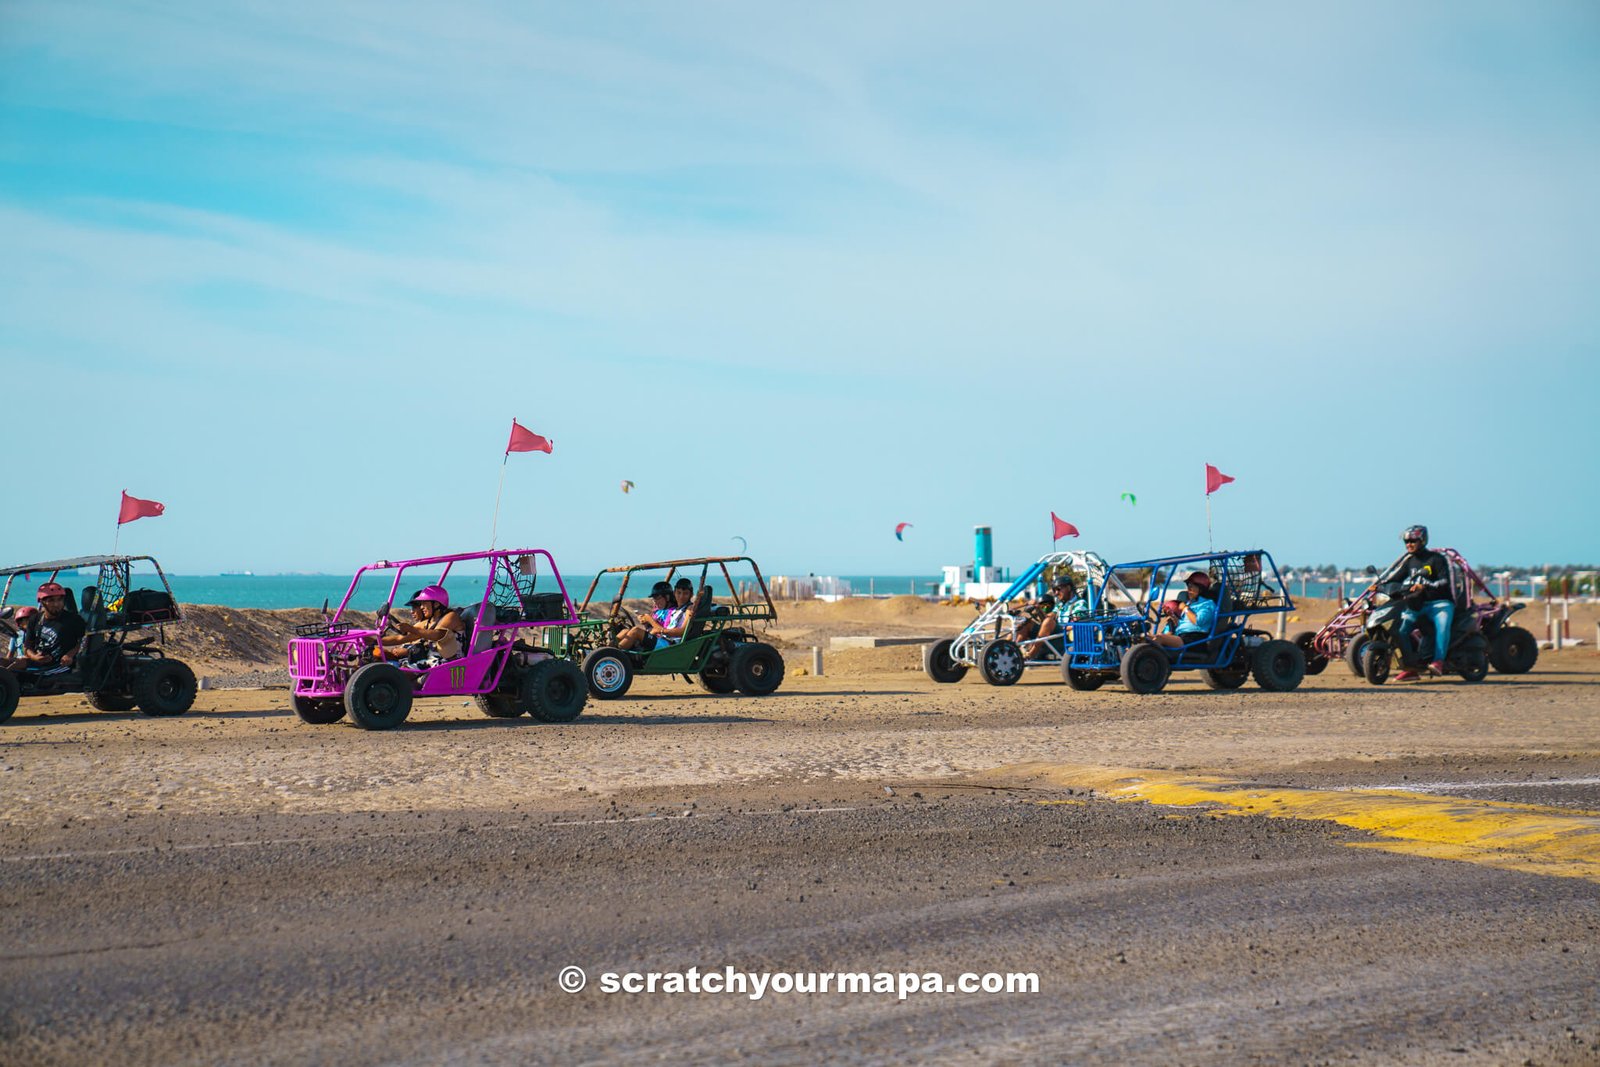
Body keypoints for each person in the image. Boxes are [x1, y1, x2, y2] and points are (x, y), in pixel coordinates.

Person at [1380, 525, 1455, 681]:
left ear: (1422, 540)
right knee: (1401, 630)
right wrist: (1380, 585)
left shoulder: (1437, 559)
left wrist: (1425, 585)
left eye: (1413, 540)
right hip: (1419, 603)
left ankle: (1439, 661)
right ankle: (1411, 667)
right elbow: (1395, 578)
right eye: (1407, 541)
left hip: (1440, 603)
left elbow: (1444, 581)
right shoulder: (1410, 561)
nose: (1409, 544)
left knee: (1442, 627)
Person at [1, 582, 85, 674]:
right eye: (51, 600)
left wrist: (69, 655)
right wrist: (35, 657)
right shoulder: (35, 619)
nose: (56, 604)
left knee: (14, 668)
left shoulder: (74, 620)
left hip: (59, 665)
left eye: (60, 600)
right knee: (4, 662)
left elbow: (83, 641)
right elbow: (27, 646)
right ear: (42, 602)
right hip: (38, 661)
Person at [374, 585, 464, 668]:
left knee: (400, 674)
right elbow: (400, 638)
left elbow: (438, 635)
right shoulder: (429, 622)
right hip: (430, 661)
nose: (421, 607)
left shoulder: (451, 616)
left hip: (449, 662)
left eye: (424, 603)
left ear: (436, 604)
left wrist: (412, 629)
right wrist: (374, 641)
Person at [1027, 575, 1091, 660]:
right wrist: (1038, 608)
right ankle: (1009, 650)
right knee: (1026, 622)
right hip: (1055, 635)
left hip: (1067, 638)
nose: (1056, 593)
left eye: (1058, 589)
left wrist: (1054, 625)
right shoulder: (1061, 605)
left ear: (1068, 588)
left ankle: (1031, 654)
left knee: (1049, 622)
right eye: (1054, 590)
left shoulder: (1080, 603)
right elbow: (1047, 617)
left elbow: (1076, 625)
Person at [616, 581, 691, 651]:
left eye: (657, 598)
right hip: (660, 639)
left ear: (667, 597)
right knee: (625, 631)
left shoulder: (680, 610)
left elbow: (662, 629)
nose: (655, 601)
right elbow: (656, 629)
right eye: (678, 593)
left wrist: (650, 620)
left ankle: (614, 654)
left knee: (636, 631)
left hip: (667, 643)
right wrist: (647, 624)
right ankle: (610, 648)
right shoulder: (668, 611)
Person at [1152, 571, 1217, 649]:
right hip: (1182, 636)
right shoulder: (1191, 604)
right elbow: (1182, 624)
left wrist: (1185, 608)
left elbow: (1198, 621)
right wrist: (1172, 616)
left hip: (1195, 638)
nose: (1189, 589)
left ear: (1201, 589)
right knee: (1148, 638)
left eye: (1192, 586)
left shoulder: (1207, 604)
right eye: (1188, 586)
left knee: (1159, 638)